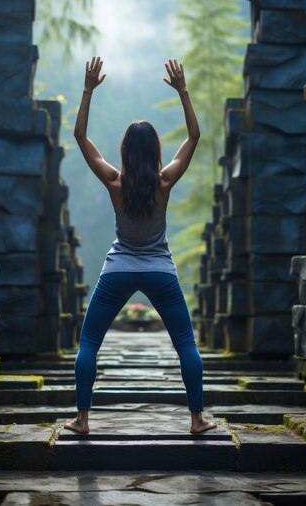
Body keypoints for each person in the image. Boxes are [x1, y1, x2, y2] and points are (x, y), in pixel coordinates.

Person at [64, 56, 217, 435]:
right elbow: (194, 137)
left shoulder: (115, 181)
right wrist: (183, 91)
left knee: (89, 343)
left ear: (125, 150)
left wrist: (87, 91)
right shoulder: (164, 182)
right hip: (160, 272)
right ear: (153, 151)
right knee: (185, 344)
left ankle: (82, 420)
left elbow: (80, 137)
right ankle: (197, 420)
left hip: (118, 269)